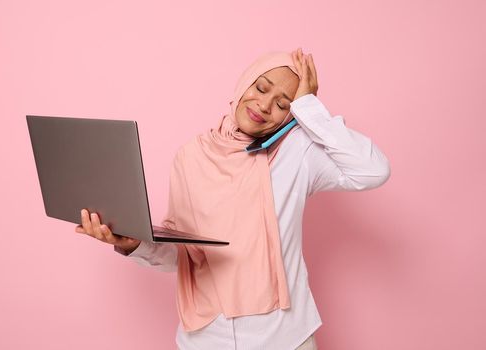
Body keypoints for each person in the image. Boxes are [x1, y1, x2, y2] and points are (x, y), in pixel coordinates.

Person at [75, 48, 391, 350]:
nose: (264, 105)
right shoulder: (191, 156)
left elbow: (373, 170)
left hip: (284, 338)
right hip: (205, 339)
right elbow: (183, 256)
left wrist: (310, 108)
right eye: (261, 87)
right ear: (244, 83)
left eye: (283, 104)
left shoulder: (298, 152)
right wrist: (133, 243)